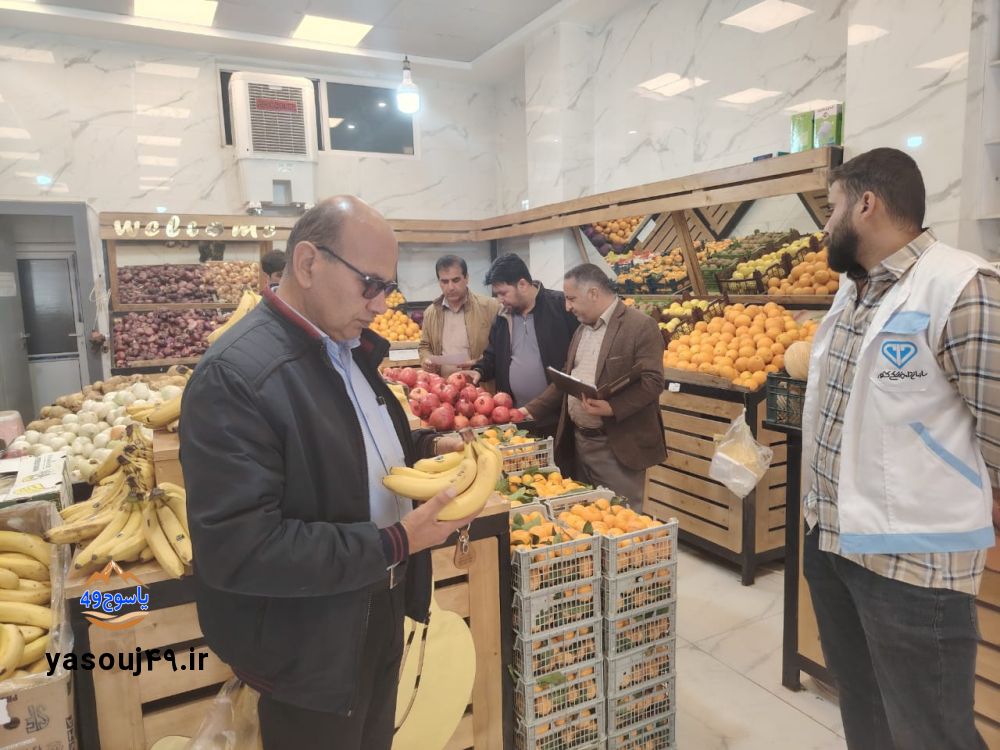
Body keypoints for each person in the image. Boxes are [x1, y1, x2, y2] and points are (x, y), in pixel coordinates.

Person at [180, 197, 476, 750]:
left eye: (388, 287)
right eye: (370, 284)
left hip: (375, 611)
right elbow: (237, 547)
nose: (380, 304)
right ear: (308, 263)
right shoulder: (235, 377)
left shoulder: (346, 349)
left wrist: (427, 447)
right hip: (307, 648)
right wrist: (396, 541)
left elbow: (348, 449)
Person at [800, 147, 1000, 750]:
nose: (826, 225)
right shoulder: (855, 289)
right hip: (834, 542)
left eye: (832, 207)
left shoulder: (963, 287)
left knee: (931, 732)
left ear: (866, 205)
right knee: (865, 713)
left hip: (913, 564)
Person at [519, 264, 665, 505]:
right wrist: (529, 410)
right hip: (579, 442)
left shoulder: (640, 326)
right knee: (588, 514)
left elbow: (653, 381)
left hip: (616, 446)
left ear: (594, 293)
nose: (567, 307)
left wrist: (613, 408)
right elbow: (566, 379)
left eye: (571, 299)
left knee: (621, 514)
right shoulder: (582, 329)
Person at [460, 253, 578, 435]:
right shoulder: (502, 316)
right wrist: (479, 371)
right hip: (515, 418)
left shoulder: (561, 307)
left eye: (503, 293)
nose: (499, 299)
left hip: (558, 417)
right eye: (496, 294)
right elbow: (493, 355)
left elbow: (576, 362)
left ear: (522, 284)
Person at [418, 254, 500, 376]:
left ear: (466, 278)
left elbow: (502, 348)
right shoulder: (431, 313)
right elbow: (424, 346)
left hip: (480, 384)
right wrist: (426, 360)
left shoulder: (490, 307)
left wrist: (479, 364)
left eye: (456, 280)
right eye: (445, 281)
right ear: (439, 282)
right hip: (444, 385)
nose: (450, 287)